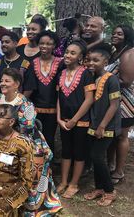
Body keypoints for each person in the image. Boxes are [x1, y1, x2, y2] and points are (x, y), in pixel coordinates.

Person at [0, 68, 62, 216]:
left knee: (31, 165)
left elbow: (26, 131)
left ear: (17, 84)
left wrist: (6, 142)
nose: (3, 83)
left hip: (28, 143)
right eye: (1, 80)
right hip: (3, 139)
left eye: (7, 81)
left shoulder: (25, 104)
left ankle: (34, 207)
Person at [56, 40, 95, 199]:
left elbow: (89, 100)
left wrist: (74, 120)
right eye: (67, 52)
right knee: (66, 151)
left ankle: (74, 183)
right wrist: (59, 118)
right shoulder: (61, 73)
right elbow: (59, 97)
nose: (68, 55)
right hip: (64, 121)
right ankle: (64, 181)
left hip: (80, 121)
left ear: (80, 57)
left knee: (79, 152)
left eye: (73, 53)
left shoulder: (86, 74)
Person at [83, 44, 120, 206]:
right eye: (89, 60)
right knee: (93, 156)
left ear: (105, 61)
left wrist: (103, 125)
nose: (91, 63)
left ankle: (110, 191)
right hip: (94, 123)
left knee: (98, 156)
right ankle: (99, 188)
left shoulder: (111, 79)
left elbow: (114, 105)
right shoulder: (91, 77)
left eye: (96, 60)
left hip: (106, 126)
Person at [105, 25, 134, 184]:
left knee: (122, 136)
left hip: (125, 103)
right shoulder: (115, 52)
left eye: (120, 34)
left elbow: (127, 81)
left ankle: (119, 171)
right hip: (113, 100)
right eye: (114, 33)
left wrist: (103, 80)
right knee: (111, 134)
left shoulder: (128, 54)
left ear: (127, 36)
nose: (115, 35)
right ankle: (110, 164)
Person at [30, 30, 64, 152]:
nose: (45, 46)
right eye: (42, 43)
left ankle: (48, 166)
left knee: (49, 138)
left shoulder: (61, 62)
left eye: (49, 44)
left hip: (54, 108)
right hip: (35, 108)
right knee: (35, 137)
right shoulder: (32, 62)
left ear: (54, 45)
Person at [0, 31, 36, 97]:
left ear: (15, 44)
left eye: (7, 42)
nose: (3, 44)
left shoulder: (25, 64)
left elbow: (29, 88)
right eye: (2, 42)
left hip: (18, 103)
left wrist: (19, 103)